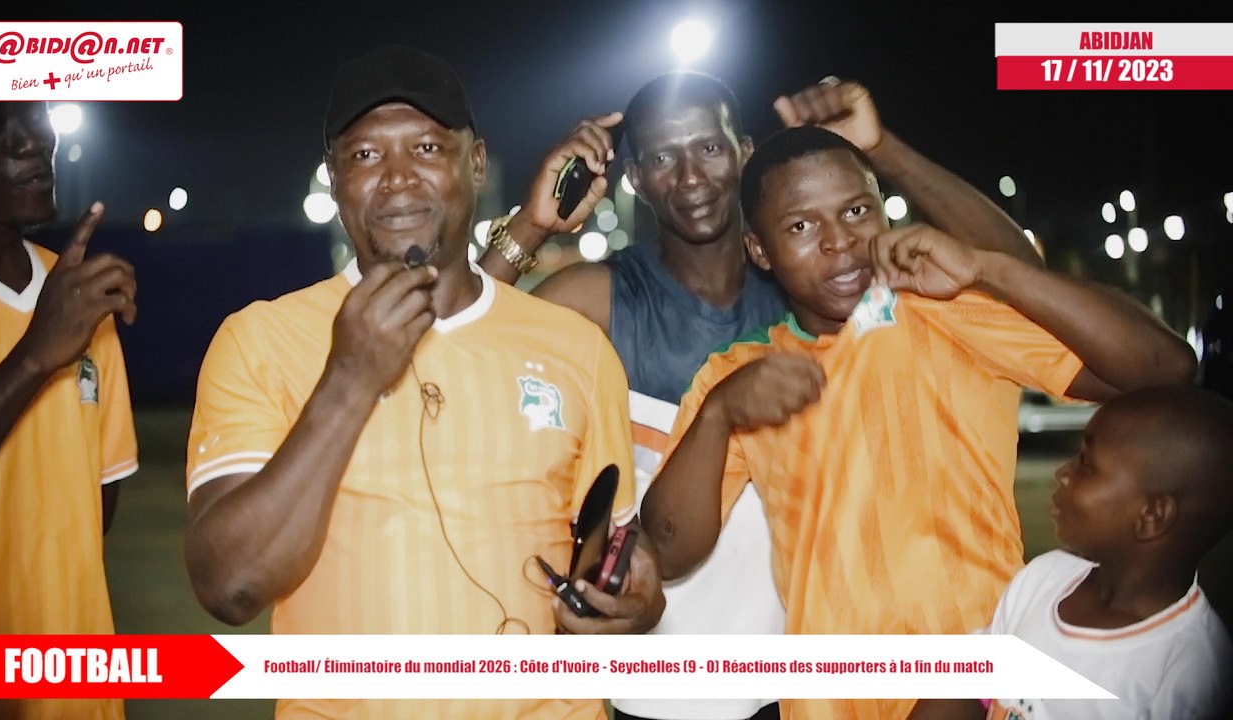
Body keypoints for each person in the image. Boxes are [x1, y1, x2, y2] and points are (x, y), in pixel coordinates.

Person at [480, 74, 1042, 720]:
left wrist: (883, 148)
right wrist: (531, 225)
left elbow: (1018, 276)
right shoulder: (604, 298)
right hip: (662, 689)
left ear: (743, 149)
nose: (692, 178)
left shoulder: (818, 281)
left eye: (709, 149)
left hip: (800, 685)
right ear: (634, 175)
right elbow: (470, 354)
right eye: (663, 157)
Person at [640, 124, 1197, 720]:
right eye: (801, 226)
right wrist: (720, 414)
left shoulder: (944, 313)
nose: (839, 242)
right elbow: (670, 552)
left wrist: (988, 271)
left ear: (883, 210)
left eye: (856, 210)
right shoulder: (739, 372)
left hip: (979, 695)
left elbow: (1165, 369)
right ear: (759, 250)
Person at [182, 45, 664, 720]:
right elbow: (228, 586)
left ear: (475, 163)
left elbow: (615, 552)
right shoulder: (261, 339)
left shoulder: (573, 347)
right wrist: (348, 380)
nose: (398, 178)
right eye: (366, 156)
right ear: (334, 177)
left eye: (428, 149)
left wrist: (638, 600)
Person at [0, 20, 139, 720]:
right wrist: (35, 356)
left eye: (35, 116)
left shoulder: (76, 295)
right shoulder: (63, 314)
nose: (31, 141)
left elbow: (96, 505)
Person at [909, 385, 1233, 720]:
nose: (1062, 474)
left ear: (1151, 516)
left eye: (1086, 464)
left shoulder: (1192, 672)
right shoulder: (1043, 578)